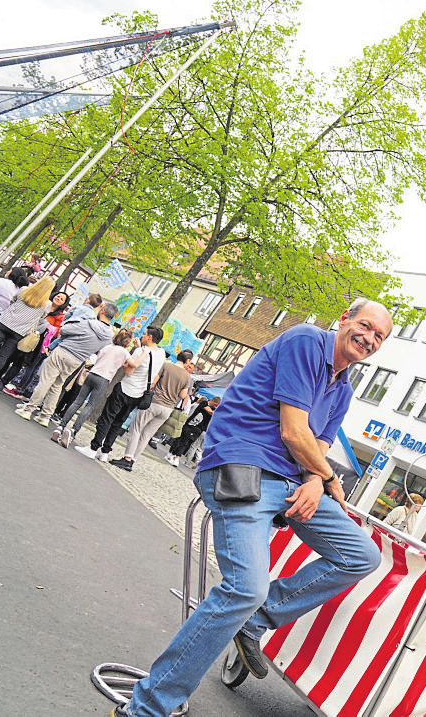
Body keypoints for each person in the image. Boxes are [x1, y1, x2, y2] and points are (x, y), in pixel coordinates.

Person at [112, 299, 391, 717]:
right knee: (245, 586)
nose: (369, 338)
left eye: (379, 337)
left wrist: (316, 479)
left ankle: (257, 619)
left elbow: (319, 447)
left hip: (293, 482)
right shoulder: (305, 342)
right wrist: (328, 479)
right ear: (344, 320)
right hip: (243, 467)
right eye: (365, 326)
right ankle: (147, 707)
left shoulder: (344, 389)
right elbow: (294, 432)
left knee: (362, 555)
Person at [16, 302, 117, 427]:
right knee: (57, 386)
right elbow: (99, 350)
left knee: (46, 381)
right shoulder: (109, 336)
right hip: (78, 360)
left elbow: (64, 330)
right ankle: (45, 416)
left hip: (64, 351)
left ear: (102, 311)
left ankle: (29, 409)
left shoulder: (89, 323)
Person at [75, 326, 166, 462]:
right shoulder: (161, 354)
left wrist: (129, 359)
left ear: (150, 337)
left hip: (125, 388)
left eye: (145, 334)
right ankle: (105, 452)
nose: (142, 335)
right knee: (118, 423)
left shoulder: (139, 352)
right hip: (138, 393)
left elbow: (129, 371)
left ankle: (93, 448)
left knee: (107, 418)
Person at [109, 350, 193, 473]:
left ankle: (127, 458)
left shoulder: (166, 365)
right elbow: (183, 395)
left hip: (154, 402)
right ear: (188, 361)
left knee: (136, 428)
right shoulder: (187, 376)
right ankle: (133, 461)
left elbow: (153, 382)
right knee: (147, 435)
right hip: (168, 408)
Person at [53, 328, 133, 448]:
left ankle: (61, 427)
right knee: (89, 406)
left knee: (77, 401)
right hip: (103, 379)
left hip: (91, 375)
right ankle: (73, 431)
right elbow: (133, 364)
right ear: (127, 341)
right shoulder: (124, 353)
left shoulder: (106, 347)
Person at [0, 289, 68, 391]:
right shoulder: (43, 303)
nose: (58, 298)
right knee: (8, 356)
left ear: (64, 304)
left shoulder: (59, 316)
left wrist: (46, 325)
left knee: (19, 361)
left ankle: (2, 383)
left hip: (36, 339)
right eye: (58, 296)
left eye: (62, 299)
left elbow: (57, 331)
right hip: (23, 331)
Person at [164, 396, 219, 468]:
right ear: (213, 401)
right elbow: (209, 411)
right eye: (216, 404)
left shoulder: (214, 410)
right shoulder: (204, 403)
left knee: (185, 443)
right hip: (189, 425)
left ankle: (176, 457)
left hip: (198, 430)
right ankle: (172, 454)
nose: (215, 406)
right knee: (180, 440)